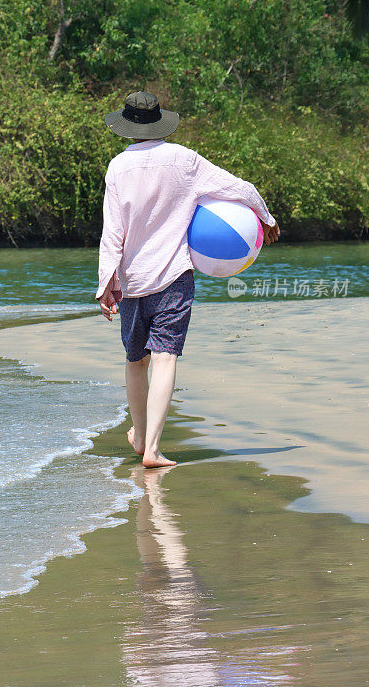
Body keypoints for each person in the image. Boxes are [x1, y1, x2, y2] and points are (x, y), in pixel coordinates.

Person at [95, 91, 280, 468]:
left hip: (132, 281)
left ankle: (140, 434)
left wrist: (105, 284)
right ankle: (152, 450)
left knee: (135, 362)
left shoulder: (117, 168)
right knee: (164, 359)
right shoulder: (184, 160)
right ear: (159, 122)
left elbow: (112, 232)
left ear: (127, 128)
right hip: (174, 276)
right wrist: (266, 217)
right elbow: (239, 188)